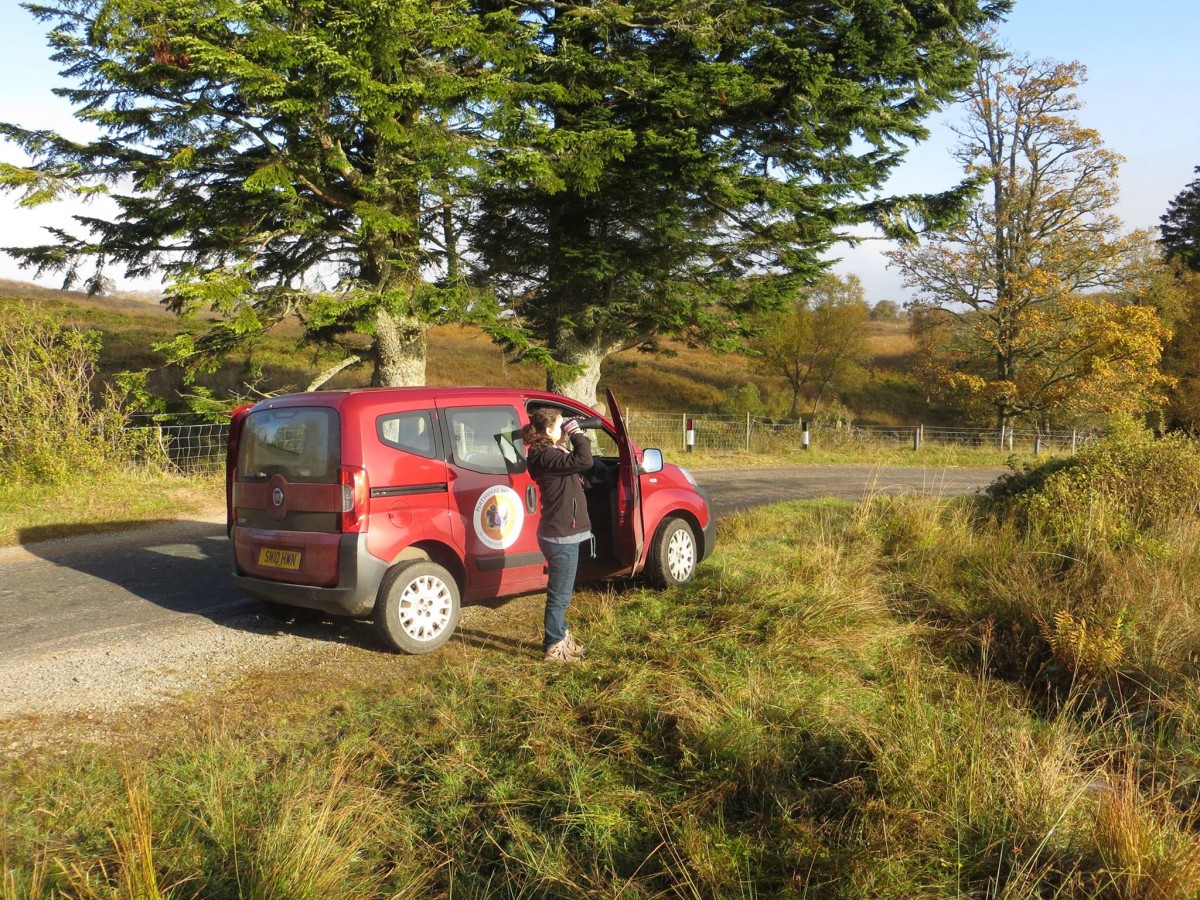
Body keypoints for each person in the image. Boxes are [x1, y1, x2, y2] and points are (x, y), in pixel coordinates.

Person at [523, 406, 593, 662]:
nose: (564, 430)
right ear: (549, 430)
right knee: (559, 594)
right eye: (560, 426)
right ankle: (554, 645)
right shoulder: (546, 456)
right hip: (560, 535)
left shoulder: (548, 454)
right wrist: (576, 433)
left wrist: (575, 434)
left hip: (560, 531)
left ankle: (562, 636)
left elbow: (581, 465)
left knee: (561, 591)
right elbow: (585, 460)